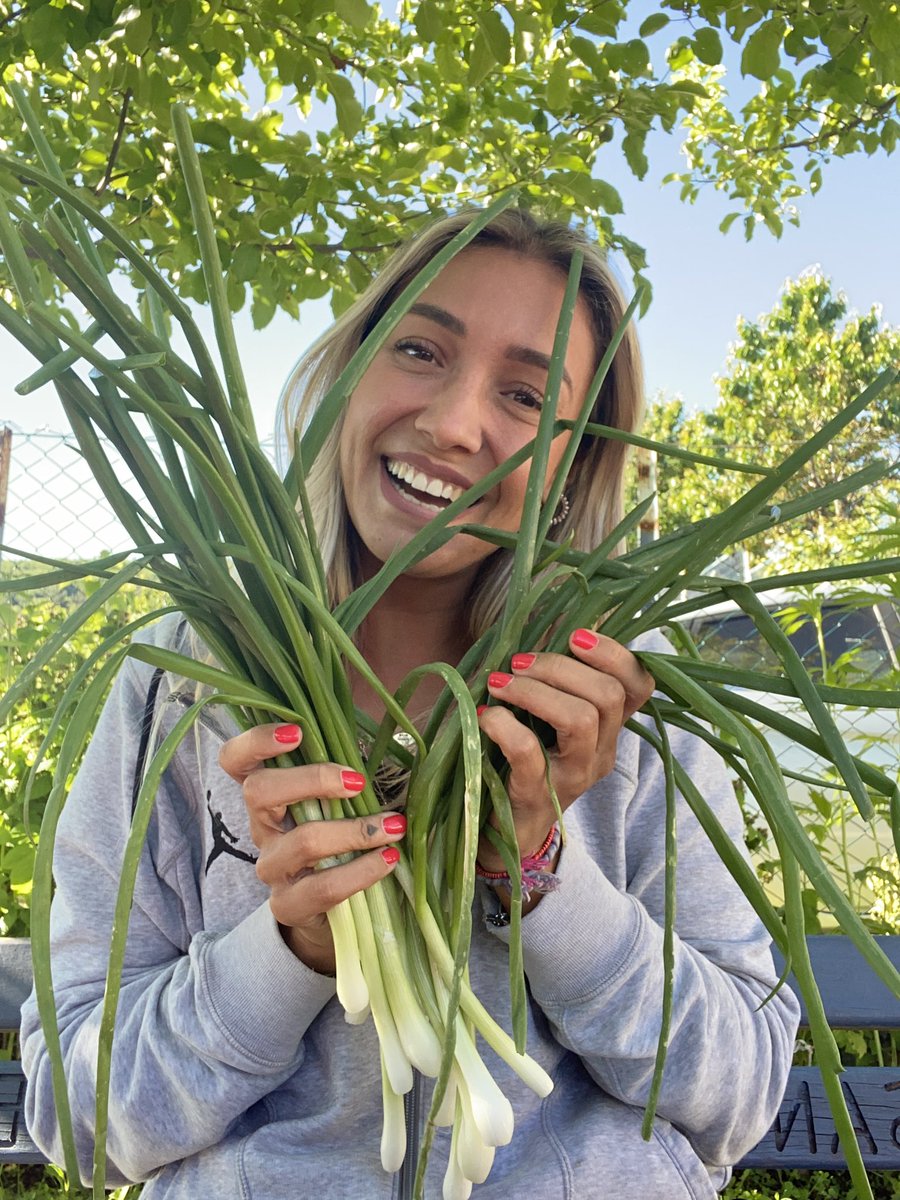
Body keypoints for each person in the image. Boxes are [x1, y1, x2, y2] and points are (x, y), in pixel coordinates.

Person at [21, 208, 799, 1199]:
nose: (456, 423)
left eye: (525, 393)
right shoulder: (179, 683)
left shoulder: (621, 697)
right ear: (345, 375)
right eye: (421, 350)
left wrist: (543, 876)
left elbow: (742, 1093)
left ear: (574, 462)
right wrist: (291, 942)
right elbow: (77, 1124)